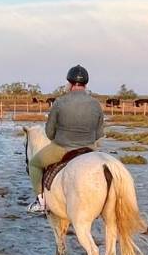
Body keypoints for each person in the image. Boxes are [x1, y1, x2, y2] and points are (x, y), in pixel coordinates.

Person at [27, 65, 104, 214]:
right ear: (85, 84)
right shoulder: (96, 104)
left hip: (63, 148)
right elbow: (99, 133)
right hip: (90, 149)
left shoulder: (59, 102)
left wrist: (61, 138)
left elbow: (49, 133)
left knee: (34, 164)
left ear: (69, 83)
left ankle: (41, 202)